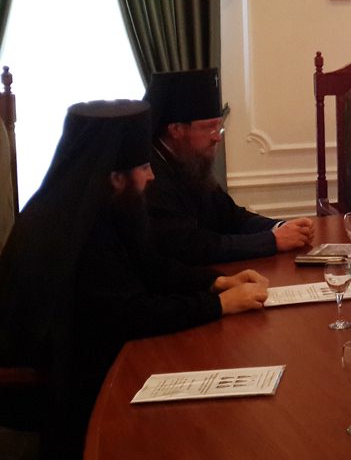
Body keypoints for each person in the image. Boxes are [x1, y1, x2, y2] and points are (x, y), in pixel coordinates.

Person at [0, 100, 269, 458]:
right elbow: (131, 315)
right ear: (115, 177)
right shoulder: (78, 232)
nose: (152, 176)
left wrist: (216, 282)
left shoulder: (106, 206)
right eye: (143, 168)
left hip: (98, 358)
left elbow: (150, 266)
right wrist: (218, 305)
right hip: (65, 390)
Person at [144, 69, 314, 264]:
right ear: (176, 129)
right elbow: (190, 245)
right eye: (209, 127)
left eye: (219, 127)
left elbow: (233, 217)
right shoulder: (149, 176)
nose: (217, 137)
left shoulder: (189, 163)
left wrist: (281, 227)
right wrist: (272, 241)